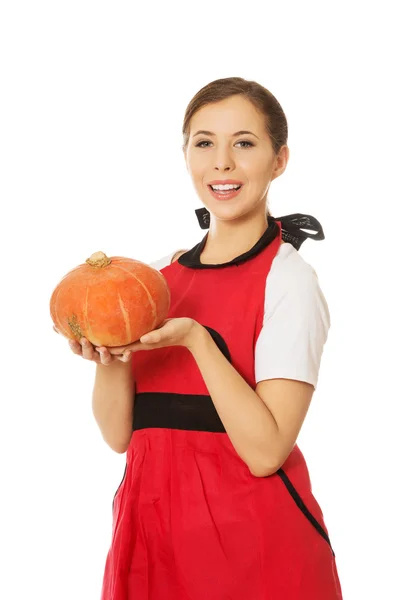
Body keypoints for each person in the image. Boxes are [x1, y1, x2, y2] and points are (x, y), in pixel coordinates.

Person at [64, 77, 343, 599]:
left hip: (254, 555)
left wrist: (197, 340)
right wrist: (108, 357)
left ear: (279, 160)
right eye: (204, 142)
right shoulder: (152, 284)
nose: (222, 163)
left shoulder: (288, 282)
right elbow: (121, 436)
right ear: (186, 154)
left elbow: (265, 452)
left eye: (244, 142)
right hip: (150, 544)